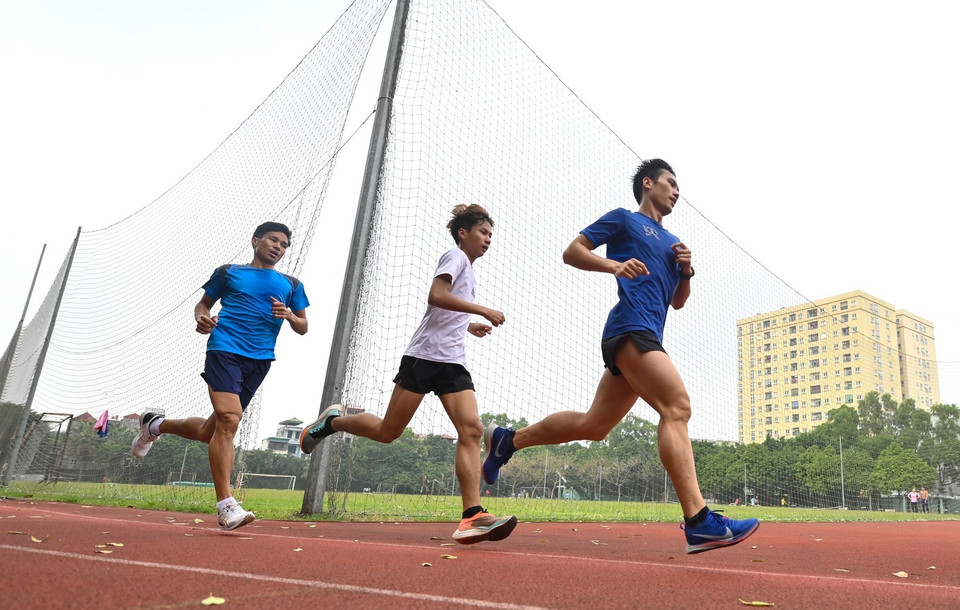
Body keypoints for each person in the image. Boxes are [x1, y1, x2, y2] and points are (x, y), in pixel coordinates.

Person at [481, 159, 759, 554]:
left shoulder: (673, 241)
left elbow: (678, 302)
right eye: (670, 183)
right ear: (648, 183)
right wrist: (615, 265)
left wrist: (686, 272)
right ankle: (699, 521)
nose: (676, 191)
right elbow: (572, 252)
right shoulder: (625, 220)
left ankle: (508, 441)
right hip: (630, 328)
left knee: (594, 425)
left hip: (647, 332)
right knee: (677, 407)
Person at [300, 205, 517, 545]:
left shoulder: (469, 270)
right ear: (463, 233)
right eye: (483, 232)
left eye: (491, 234)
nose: (488, 239)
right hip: (424, 358)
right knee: (388, 431)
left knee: (472, 429)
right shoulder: (455, 257)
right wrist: (482, 309)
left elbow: (444, 310)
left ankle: (472, 516)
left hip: (452, 361)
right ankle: (333, 422)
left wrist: (468, 324)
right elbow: (437, 296)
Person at [131, 222, 309, 531]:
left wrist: (291, 315)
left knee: (209, 432)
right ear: (256, 240)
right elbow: (203, 305)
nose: (278, 247)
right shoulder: (229, 273)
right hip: (224, 349)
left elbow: (303, 326)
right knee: (229, 419)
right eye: (273, 240)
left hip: (260, 359)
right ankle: (227, 506)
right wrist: (202, 319)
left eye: (283, 244)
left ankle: (155, 425)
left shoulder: (291, 284)